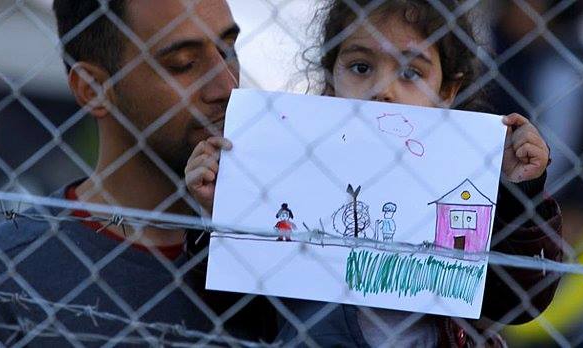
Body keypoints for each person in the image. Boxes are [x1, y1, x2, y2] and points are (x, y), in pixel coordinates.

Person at [187, 0, 563, 347]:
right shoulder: (290, 172)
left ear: (447, 90)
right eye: (361, 67)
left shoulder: (468, 182)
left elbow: (519, 302)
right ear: (332, 80)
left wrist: (520, 194)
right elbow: (230, 307)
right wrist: (220, 212)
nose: (382, 90)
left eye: (410, 72)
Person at [0, 0, 277, 345]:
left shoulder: (288, 249)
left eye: (229, 50)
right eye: (183, 64)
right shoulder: (12, 272)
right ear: (93, 88)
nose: (226, 86)